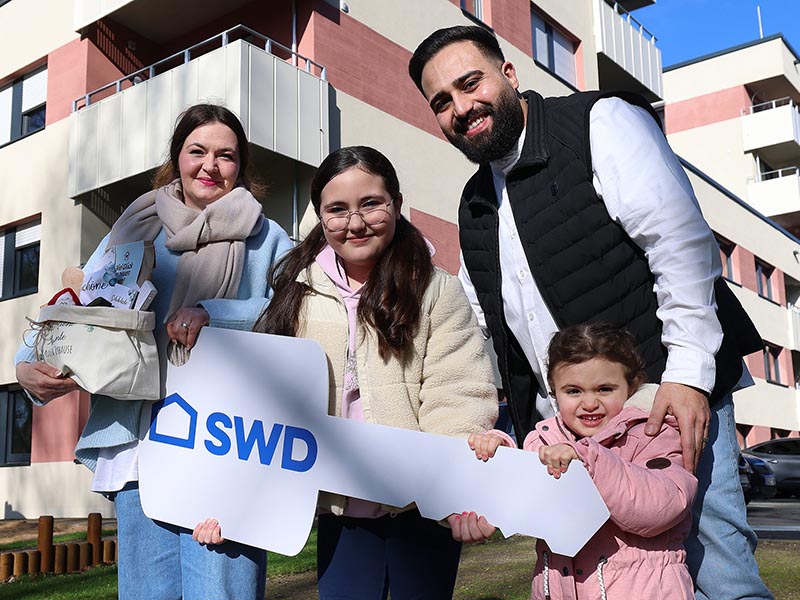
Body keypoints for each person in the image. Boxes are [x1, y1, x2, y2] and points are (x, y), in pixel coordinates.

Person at [408, 25, 772, 600]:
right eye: (442, 102)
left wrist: (688, 376)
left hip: (665, 400)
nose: (461, 108)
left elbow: (678, 242)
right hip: (570, 436)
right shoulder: (473, 203)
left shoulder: (599, 122)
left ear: (508, 74)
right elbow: (483, 331)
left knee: (717, 572)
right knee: (601, 582)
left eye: (469, 83)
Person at [15, 103, 293, 600]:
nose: (210, 165)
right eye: (197, 151)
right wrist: (28, 364)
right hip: (138, 444)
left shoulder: (266, 237)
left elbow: (295, 315)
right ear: (177, 158)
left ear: (241, 166)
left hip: (226, 444)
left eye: (226, 155)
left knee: (222, 592)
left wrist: (215, 312)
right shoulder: (134, 228)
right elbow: (82, 304)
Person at [251, 145, 498, 600]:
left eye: (371, 204)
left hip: (419, 506)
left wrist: (442, 487)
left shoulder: (436, 290)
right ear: (320, 217)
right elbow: (267, 391)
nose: (356, 222)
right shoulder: (297, 289)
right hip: (339, 506)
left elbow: (457, 395)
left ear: (397, 205)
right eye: (338, 209)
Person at [468, 323, 697, 599]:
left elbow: (661, 506)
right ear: (554, 391)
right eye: (574, 391)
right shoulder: (544, 440)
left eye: (604, 389)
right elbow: (517, 496)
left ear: (630, 387)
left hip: (645, 589)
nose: (589, 403)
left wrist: (590, 460)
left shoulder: (652, 434)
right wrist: (497, 451)